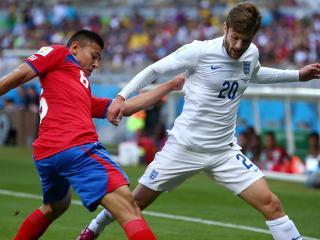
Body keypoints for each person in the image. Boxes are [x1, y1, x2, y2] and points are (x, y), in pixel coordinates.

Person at [78, 3, 320, 240]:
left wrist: (297, 75)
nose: (238, 46)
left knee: (272, 204)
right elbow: (154, 70)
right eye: (234, 37)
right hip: (183, 148)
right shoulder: (200, 51)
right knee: (133, 204)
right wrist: (121, 96)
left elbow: (254, 73)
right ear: (225, 28)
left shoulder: (251, 52)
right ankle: (93, 228)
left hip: (223, 152)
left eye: (244, 40)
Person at [0, 29, 185, 240]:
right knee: (128, 208)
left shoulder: (80, 88)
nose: (96, 64)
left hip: (47, 153)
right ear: (76, 48)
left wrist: (170, 85)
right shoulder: (60, 53)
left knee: (56, 205)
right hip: (74, 146)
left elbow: (125, 107)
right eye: (94, 56)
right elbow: (20, 75)